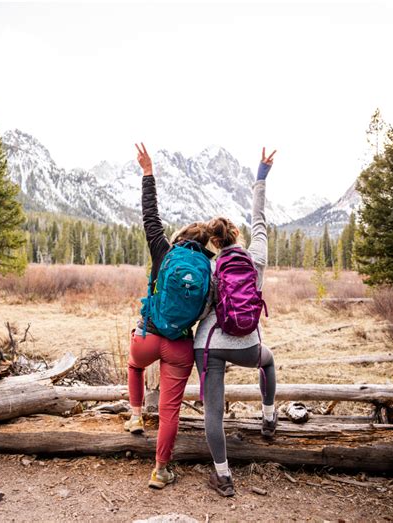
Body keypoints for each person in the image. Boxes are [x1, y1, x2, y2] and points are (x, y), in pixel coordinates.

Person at [125, 143, 215, 489]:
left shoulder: (164, 251)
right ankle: (161, 470)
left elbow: (150, 216)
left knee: (134, 366)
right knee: (169, 411)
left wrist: (148, 173)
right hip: (179, 347)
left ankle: (134, 416)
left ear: (180, 239)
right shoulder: (208, 268)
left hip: (147, 337)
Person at [194, 147, 277, 497]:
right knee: (269, 361)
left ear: (214, 241)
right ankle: (269, 417)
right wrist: (261, 176)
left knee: (213, 409)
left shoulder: (210, 266)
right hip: (247, 343)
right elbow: (260, 219)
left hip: (209, 344)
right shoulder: (256, 256)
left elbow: (202, 308)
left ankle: (223, 477)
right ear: (238, 236)